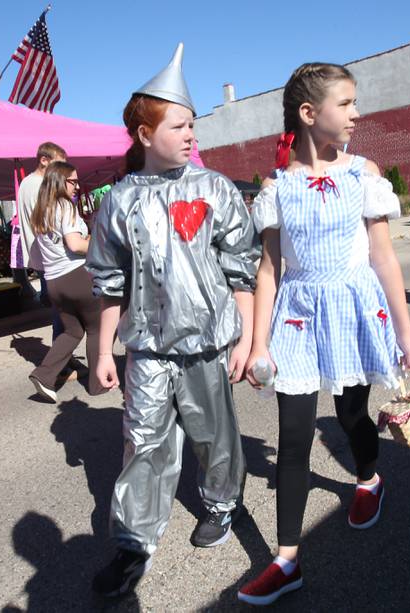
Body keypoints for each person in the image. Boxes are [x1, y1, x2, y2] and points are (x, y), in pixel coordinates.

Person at [239, 62, 410, 605]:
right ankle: (287, 561)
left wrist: (405, 334)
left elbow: (384, 258)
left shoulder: (363, 174)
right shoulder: (276, 186)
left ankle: (368, 479)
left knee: (350, 414)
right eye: (346, 104)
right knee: (293, 438)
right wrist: (258, 343)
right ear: (308, 112)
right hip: (296, 316)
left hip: (351, 310)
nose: (356, 113)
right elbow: (268, 270)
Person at [86, 44, 260, 597]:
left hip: (208, 343)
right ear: (144, 133)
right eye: (179, 125)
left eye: (193, 126)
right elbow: (109, 281)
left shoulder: (215, 190)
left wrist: (247, 340)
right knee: (142, 442)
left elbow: (242, 272)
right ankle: (133, 541)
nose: (191, 135)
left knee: (215, 435)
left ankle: (221, 502)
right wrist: (101, 350)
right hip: (149, 350)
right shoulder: (117, 202)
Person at [27, 162, 103, 402]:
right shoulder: (64, 207)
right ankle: (98, 384)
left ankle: (44, 375)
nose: (77, 186)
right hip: (76, 276)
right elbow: (75, 245)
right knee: (97, 328)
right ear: (60, 181)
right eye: (73, 181)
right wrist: (100, 242)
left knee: (72, 330)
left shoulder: (41, 210)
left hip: (54, 282)